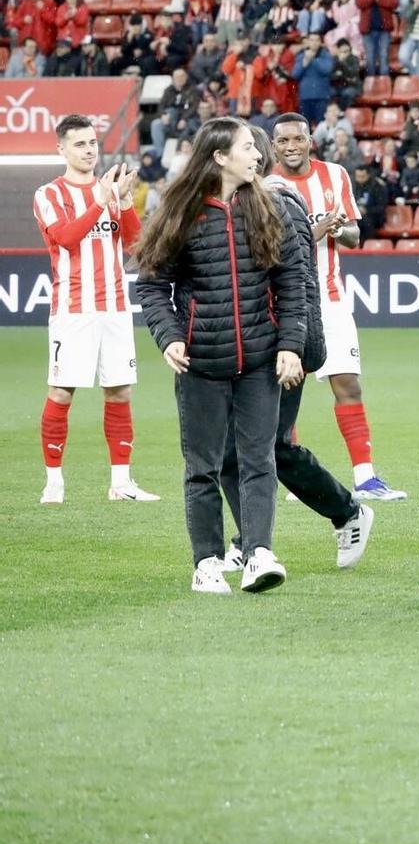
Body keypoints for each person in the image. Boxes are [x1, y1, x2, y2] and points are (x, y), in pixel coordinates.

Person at [133, 118, 310, 595]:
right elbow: (151, 284)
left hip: (259, 361)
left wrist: (291, 345)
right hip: (200, 364)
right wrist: (169, 335)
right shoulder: (178, 210)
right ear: (219, 157)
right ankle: (207, 563)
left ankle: (259, 553)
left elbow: (293, 284)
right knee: (202, 468)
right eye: (249, 147)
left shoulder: (270, 207)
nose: (259, 155)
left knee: (259, 460)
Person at [218, 127, 374, 576]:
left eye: (248, 148)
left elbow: (298, 282)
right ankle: (249, 541)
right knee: (242, 446)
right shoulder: (236, 201)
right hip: (251, 337)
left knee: (270, 445)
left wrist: (295, 345)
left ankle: (347, 511)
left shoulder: (280, 200)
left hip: (285, 336)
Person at [271, 114, 407, 501]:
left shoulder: (335, 176)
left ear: (311, 140)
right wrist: (316, 229)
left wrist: (338, 228)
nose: (292, 146)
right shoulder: (267, 186)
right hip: (283, 302)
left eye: (299, 138)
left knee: (347, 383)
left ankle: (365, 477)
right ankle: (294, 479)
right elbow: (278, 249)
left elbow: (354, 236)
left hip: (330, 299)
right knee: (284, 392)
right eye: (284, 141)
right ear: (274, 145)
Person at [33, 115, 157, 506]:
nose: (89, 150)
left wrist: (122, 203)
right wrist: (100, 203)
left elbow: (136, 245)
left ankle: (121, 483)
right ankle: (54, 481)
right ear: (62, 149)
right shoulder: (49, 195)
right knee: (62, 390)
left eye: (92, 143)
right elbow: (66, 239)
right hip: (74, 309)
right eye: (80, 144)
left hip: (116, 306)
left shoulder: (110, 191)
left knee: (119, 391)